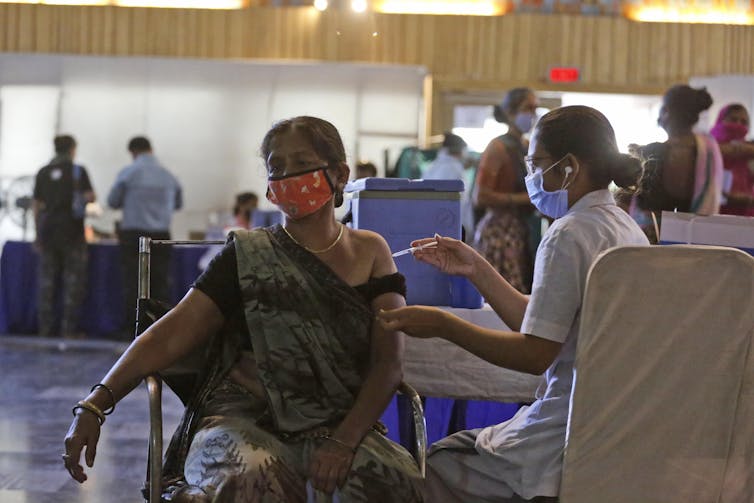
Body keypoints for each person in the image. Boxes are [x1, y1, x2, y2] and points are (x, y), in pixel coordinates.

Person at [63, 116, 422, 502]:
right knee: (253, 474)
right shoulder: (247, 255)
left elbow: (389, 363)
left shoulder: (371, 251)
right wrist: (94, 404)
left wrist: (345, 441)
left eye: (301, 165)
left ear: (338, 174)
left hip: (336, 420)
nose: (287, 177)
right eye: (276, 168)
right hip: (243, 417)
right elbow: (168, 336)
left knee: (389, 479)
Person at [378, 106, 650, 502]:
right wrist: (476, 268)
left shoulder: (568, 234)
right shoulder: (622, 226)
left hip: (563, 435)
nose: (532, 178)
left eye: (537, 164)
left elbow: (536, 353)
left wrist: (443, 325)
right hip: (611, 428)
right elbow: (544, 322)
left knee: (433, 466)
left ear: (569, 167)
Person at [107, 136, 183, 335]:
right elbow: (178, 204)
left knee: (133, 283)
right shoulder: (169, 175)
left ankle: (132, 329)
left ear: (133, 152)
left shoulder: (128, 173)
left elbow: (113, 201)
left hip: (133, 235)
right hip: (162, 235)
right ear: (151, 149)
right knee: (161, 282)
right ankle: (161, 329)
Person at [629, 85, 724, 242]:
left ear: (666, 112)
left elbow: (642, 207)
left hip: (650, 242)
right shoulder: (708, 151)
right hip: (694, 242)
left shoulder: (652, 152)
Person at [473, 88, 539, 294]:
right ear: (510, 113)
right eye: (527, 108)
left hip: (523, 229)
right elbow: (480, 196)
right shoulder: (497, 147)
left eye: (535, 109)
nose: (533, 114)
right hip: (501, 232)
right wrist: (523, 199)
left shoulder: (527, 146)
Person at [32, 134, 96, 338]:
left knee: (47, 284)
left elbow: (36, 206)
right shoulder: (78, 171)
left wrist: (37, 234)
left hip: (48, 231)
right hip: (73, 233)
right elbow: (90, 196)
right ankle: (68, 330)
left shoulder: (43, 172)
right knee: (72, 283)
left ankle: (44, 330)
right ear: (72, 149)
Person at [424, 132, 474, 239]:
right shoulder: (454, 168)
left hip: (432, 222)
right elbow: (460, 202)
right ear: (458, 150)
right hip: (450, 225)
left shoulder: (433, 166)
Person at [709, 103, 754, 216]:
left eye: (744, 122)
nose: (738, 125)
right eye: (733, 120)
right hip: (712, 212)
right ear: (721, 120)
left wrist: (748, 201)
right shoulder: (707, 145)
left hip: (745, 213)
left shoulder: (749, 151)